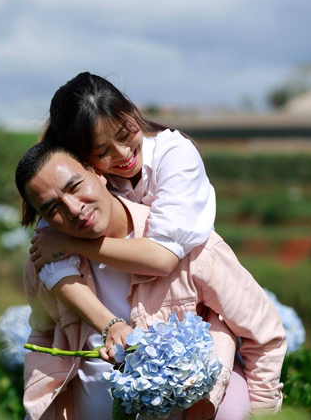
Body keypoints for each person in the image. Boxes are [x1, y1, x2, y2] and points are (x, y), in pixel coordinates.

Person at [16, 142, 286, 420]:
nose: (73, 209)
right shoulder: (45, 260)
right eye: (52, 208)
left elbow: (264, 335)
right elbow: (43, 333)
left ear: (97, 172)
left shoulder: (186, 243)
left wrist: (265, 414)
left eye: (75, 187)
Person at [26, 72, 216, 359]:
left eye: (125, 135)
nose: (123, 154)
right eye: (102, 152)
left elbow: (162, 257)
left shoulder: (174, 154)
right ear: (81, 159)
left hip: (197, 310)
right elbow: (55, 266)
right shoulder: (77, 188)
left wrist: (72, 243)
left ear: (131, 109)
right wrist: (111, 326)